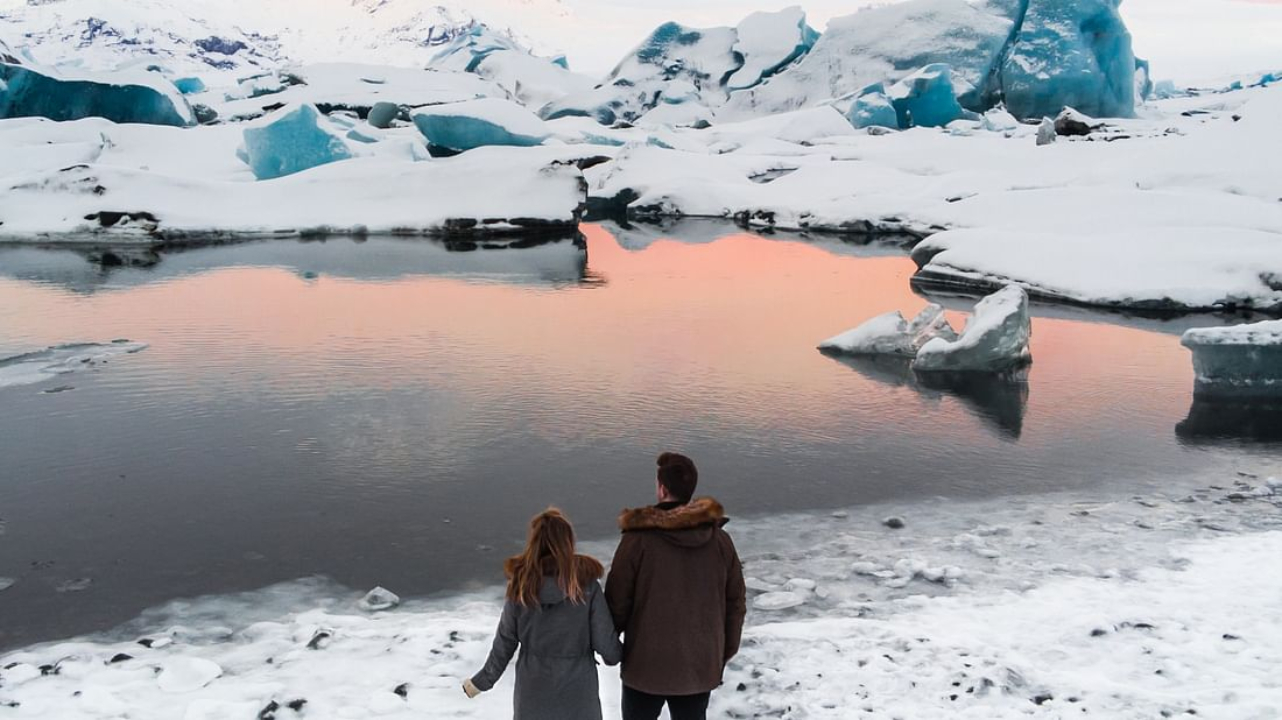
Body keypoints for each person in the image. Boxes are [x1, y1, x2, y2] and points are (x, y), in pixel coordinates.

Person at [605, 452, 747, 720]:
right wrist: (723, 651)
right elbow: (735, 603)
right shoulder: (720, 542)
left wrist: (610, 645)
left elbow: (616, 603)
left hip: (645, 667)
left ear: (661, 488)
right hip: (699, 665)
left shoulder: (637, 541)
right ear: (690, 490)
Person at [464, 508, 623, 720]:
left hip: (533, 693)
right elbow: (609, 650)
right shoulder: (586, 587)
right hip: (579, 695)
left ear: (534, 543)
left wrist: (481, 682)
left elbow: (505, 643)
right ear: (568, 542)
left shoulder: (520, 588)